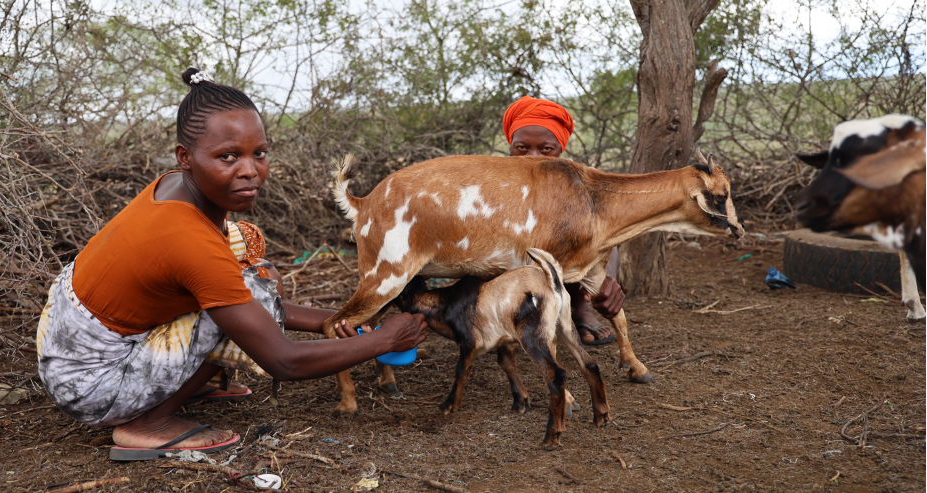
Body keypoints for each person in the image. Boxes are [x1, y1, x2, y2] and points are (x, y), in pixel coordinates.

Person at [36, 68, 427, 461]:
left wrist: (344, 319)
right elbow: (283, 360)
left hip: (73, 347)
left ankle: (180, 384)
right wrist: (384, 341)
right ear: (185, 157)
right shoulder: (189, 238)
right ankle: (149, 423)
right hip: (90, 384)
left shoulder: (177, 188)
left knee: (245, 283)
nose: (250, 170)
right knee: (254, 285)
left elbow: (237, 303)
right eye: (228, 156)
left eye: (259, 153)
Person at [502, 96, 625, 345]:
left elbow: (606, 240)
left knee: (592, 233)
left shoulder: (579, 185)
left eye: (545, 149)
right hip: (504, 277)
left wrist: (603, 281)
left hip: (560, 274)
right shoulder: (493, 184)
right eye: (522, 148)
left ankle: (581, 310)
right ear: (510, 147)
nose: (533, 157)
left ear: (560, 150)